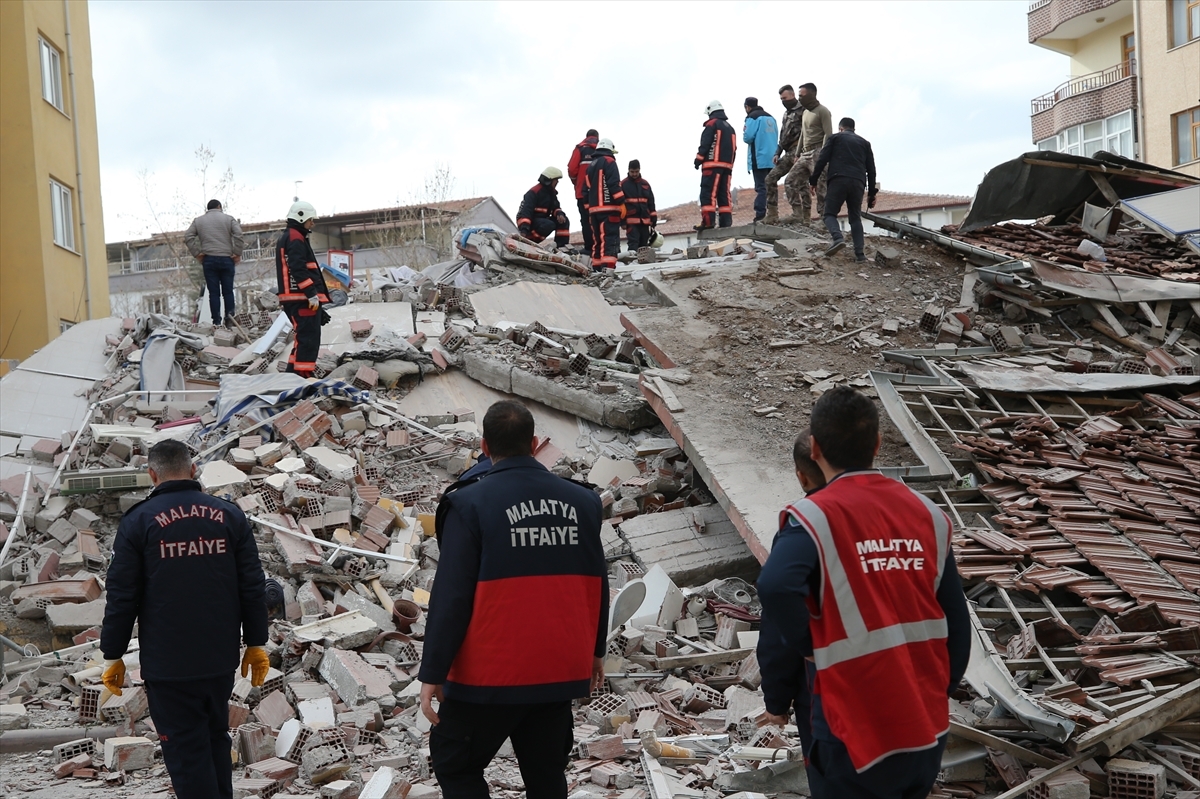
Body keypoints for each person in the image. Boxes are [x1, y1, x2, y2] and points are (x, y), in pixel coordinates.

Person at [756, 386, 970, 799]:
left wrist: (811, 646)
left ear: (814, 448)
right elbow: (956, 623)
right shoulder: (929, 515)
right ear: (877, 444)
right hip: (923, 725)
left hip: (853, 728)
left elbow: (775, 585)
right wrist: (938, 691)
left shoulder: (814, 517)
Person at [418, 400, 608, 799]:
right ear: (535, 443)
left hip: (490, 674)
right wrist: (595, 651)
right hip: (557, 668)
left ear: (485, 447)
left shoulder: (469, 504)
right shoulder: (583, 502)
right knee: (546, 773)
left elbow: (451, 596)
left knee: (456, 764)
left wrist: (432, 673)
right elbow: (596, 581)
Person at [99, 440, 268, 799]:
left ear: (151, 475)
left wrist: (112, 654)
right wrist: (256, 643)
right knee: (214, 739)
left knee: (186, 752)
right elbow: (252, 586)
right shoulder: (229, 515)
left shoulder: (138, 521)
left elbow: (122, 595)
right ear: (194, 471)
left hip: (169, 664)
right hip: (220, 658)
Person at [810, 117, 877, 262]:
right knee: (855, 217)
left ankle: (838, 238)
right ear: (854, 129)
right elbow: (871, 170)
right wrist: (872, 194)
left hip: (838, 179)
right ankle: (860, 254)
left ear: (840, 128)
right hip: (858, 182)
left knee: (829, 214)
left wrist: (813, 180)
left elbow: (822, 159)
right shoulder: (865, 143)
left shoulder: (835, 138)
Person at [275, 200, 330, 377]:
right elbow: (298, 269)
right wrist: (311, 294)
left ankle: (293, 374)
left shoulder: (293, 236)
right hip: (300, 298)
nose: (312, 223)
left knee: (303, 338)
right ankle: (303, 377)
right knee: (308, 339)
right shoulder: (295, 238)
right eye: (310, 219)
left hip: (299, 299)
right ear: (301, 217)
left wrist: (318, 304)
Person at [184, 199, 245, 328]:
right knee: (228, 291)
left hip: (209, 260)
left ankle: (216, 322)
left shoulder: (198, 221)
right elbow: (239, 234)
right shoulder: (228, 219)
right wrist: (237, 253)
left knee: (214, 293)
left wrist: (197, 253)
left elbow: (188, 236)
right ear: (219, 207)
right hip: (226, 259)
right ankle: (230, 320)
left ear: (208, 208)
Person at [782, 83, 834, 226]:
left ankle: (825, 219)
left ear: (811, 95)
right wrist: (798, 153)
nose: (799, 98)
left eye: (802, 95)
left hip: (818, 152)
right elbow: (803, 135)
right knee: (790, 181)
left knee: (821, 187)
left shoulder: (823, 111)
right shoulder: (805, 112)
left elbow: (828, 134)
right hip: (805, 153)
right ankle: (797, 214)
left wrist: (824, 154)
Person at [763, 85, 804, 225]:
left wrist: (801, 152)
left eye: (785, 98)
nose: (783, 101)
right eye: (781, 99)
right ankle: (772, 214)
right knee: (770, 179)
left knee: (798, 183)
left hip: (800, 151)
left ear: (793, 95)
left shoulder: (803, 111)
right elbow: (783, 136)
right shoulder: (786, 114)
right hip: (788, 152)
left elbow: (808, 132)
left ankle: (800, 215)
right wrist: (777, 152)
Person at [695, 100, 737, 230]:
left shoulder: (712, 125)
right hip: (727, 167)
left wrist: (698, 159)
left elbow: (706, 143)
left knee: (707, 194)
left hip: (712, 166)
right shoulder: (730, 128)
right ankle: (726, 223)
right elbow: (734, 148)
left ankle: (708, 222)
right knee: (724, 195)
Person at [584, 138, 625, 270]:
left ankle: (596, 270)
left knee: (597, 241)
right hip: (609, 209)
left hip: (594, 210)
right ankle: (608, 271)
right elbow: (614, 184)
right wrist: (622, 203)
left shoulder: (591, 165)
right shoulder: (609, 161)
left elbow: (587, 187)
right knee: (609, 240)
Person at [742, 97, 779, 222]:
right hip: (773, 157)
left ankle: (760, 214)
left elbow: (747, 137)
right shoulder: (771, 118)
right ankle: (773, 213)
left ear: (747, 107)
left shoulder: (752, 118)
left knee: (761, 187)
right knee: (772, 186)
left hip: (759, 158)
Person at [517, 167, 570, 249]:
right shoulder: (534, 192)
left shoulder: (551, 193)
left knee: (564, 221)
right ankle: (528, 241)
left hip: (541, 220)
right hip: (527, 221)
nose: (557, 182)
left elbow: (556, 207)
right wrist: (524, 230)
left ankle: (561, 247)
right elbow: (527, 212)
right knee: (548, 225)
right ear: (549, 180)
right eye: (556, 179)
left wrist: (559, 213)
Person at [567, 130, 600, 255]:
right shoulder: (602, 149)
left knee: (586, 220)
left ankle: (589, 248)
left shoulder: (580, 148)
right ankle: (601, 247)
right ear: (597, 137)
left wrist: (577, 182)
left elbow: (571, 169)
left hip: (582, 192)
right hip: (600, 194)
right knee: (600, 220)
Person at [620, 160, 658, 252]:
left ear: (639, 170)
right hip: (631, 222)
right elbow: (620, 205)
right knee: (633, 244)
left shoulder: (645, 184)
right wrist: (622, 222)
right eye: (632, 172)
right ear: (628, 170)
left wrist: (653, 219)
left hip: (644, 222)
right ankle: (633, 264)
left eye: (636, 171)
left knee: (644, 246)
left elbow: (651, 203)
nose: (634, 174)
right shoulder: (623, 185)